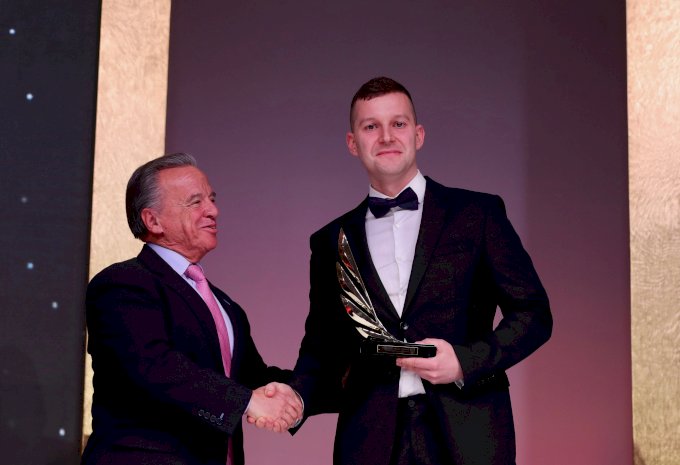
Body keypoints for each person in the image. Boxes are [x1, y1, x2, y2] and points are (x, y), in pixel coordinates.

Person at [291, 77, 552, 465]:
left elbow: (534, 314)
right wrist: (294, 398)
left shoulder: (477, 215)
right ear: (352, 143)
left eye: (398, 123)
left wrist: (465, 361)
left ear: (418, 134)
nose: (386, 136)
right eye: (371, 126)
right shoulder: (331, 240)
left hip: (470, 435)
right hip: (369, 441)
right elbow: (321, 349)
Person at [81, 153, 302, 465]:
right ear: (153, 221)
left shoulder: (225, 305)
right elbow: (154, 366)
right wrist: (244, 402)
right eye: (195, 202)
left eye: (211, 199)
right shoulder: (122, 284)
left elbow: (255, 380)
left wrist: (340, 385)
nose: (213, 210)